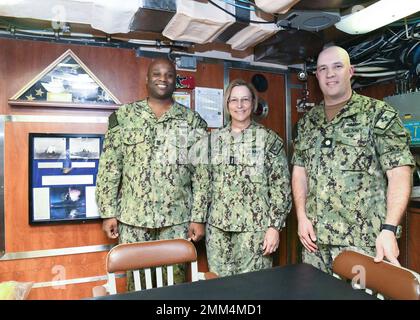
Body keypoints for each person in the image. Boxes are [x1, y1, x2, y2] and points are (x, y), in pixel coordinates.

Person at [291, 46, 414, 274]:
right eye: (323, 69)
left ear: (351, 71)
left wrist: (389, 228)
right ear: (316, 75)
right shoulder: (308, 123)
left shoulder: (377, 114)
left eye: (337, 66)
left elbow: (399, 172)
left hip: (363, 242)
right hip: (315, 242)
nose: (330, 74)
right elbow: (300, 172)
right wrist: (301, 218)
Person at [95, 58, 210, 287]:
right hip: (133, 220)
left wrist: (198, 218)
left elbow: (202, 174)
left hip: (176, 220)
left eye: (168, 75)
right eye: (156, 74)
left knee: (174, 287)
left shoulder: (192, 121)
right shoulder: (125, 116)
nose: (162, 79)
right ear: (147, 79)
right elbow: (110, 166)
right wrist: (108, 212)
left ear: (175, 81)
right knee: (137, 286)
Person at [206, 79, 292, 277]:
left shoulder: (269, 139)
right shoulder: (213, 140)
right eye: (234, 100)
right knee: (219, 290)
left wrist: (274, 227)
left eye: (245, 100)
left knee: (254, 289)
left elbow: (282, 188)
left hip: (255, 231)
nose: (239, 105)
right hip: (218, 231)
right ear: (227, 104)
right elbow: (204, 184)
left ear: (253, 104)